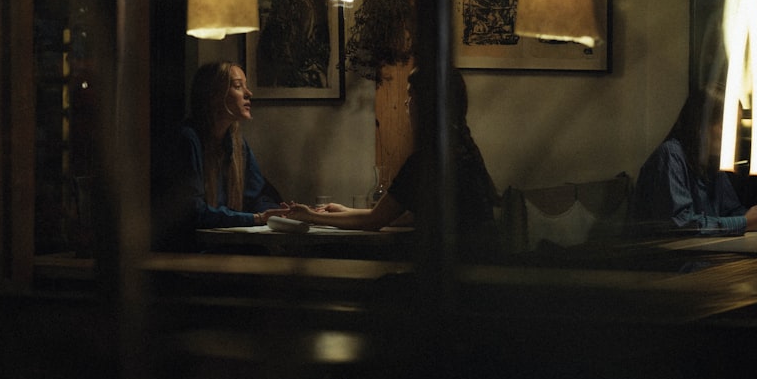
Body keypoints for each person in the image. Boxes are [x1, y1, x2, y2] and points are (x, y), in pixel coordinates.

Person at [284, 66, 499, 258]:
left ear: (425, 104)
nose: (406, 102)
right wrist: (344, 211)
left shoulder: (427, 159)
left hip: (447, 270)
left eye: (410, 95)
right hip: (476, 263)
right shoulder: (462, 150)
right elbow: (398, 216)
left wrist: (311, 217)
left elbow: (375, 220)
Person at [153, 61, 288, 251]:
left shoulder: (237, 144)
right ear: (214, 95)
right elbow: (193, 212)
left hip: (223, 245)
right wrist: (256, 218)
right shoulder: (188, 140)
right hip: (191, 252)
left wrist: (277, 213)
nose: (249, 94)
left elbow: (257, 194)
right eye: (238, 86)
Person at [630, 87, 757, 235]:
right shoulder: (670, 155)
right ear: (702, 125)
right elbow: (681, 223)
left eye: (737, 129)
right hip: (663, 256)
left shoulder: (712, 161)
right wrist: (743, 222)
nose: (735, 136)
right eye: (728, 127)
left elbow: (732, 210)